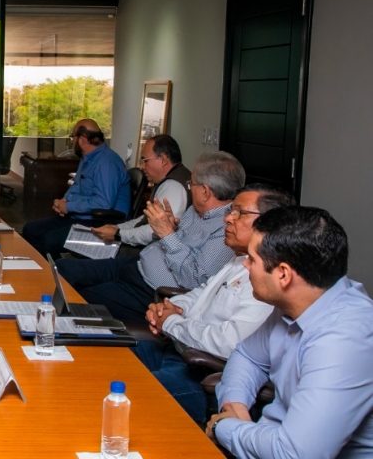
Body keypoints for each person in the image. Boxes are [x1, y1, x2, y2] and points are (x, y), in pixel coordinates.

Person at [207, 206, 373, 457]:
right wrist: (235, 404)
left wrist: (224, 427)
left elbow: (295, 454)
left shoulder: (346, 340)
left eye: (252, 259)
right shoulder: (301, 300)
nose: (246, 266)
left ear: (283, 274)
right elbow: (248, 356)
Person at [134, 184, 292, 424]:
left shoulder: (268, 279)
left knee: (122, 393)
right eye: (230, 211)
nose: (228, 218)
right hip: (177, 348)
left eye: (240, 213)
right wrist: (173, 307)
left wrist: (171, 322)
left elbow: (227, 344)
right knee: (104, 360)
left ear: (270, 224)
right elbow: (201, 293)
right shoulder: (239, 260)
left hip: (201, 372)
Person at [56, 151, 245, 327]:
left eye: (191, 184)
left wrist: (168, 234)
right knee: (62, 269)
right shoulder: (196, 210)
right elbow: (183, 243)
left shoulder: (227, 230)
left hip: (150, 291)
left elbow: (193, 279)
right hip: (135, 265)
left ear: (205, 192)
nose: (189, 188)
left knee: (78, 300)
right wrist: (173, 228)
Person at [20, 119, 130, 257]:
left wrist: (69, 207)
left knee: (49, 240)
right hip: (80, 217)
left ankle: (56, 269)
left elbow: (103, 203)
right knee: (30, 229)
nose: (72, 142)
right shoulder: (88, 158)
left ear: (82, 139)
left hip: (100, 223)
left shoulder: (107, 163)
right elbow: (77, 186)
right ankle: (48, 266)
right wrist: (63, 202)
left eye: (73, 137)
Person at [91, 134, 192, 248]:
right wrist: (117, 228)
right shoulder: (177, 178)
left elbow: (154, 231)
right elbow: (145, 219)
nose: (142, 167)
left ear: (163, 160)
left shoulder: (173, 187)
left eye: (145, 160)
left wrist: (118, 234)